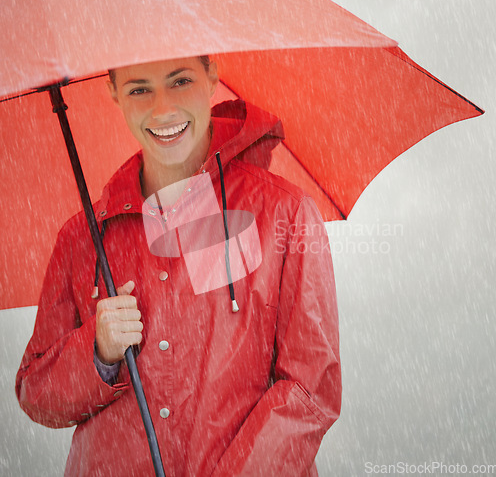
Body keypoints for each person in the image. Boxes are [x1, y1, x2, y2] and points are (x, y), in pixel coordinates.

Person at [16, 55, 341, 476]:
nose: (163, 108)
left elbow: (311, 388)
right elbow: (37, 395)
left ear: (211, 77)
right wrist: (97, 352)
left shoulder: (284, 214)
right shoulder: (81, 237)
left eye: (180, 80)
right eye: (139, 89)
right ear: (113, 90)